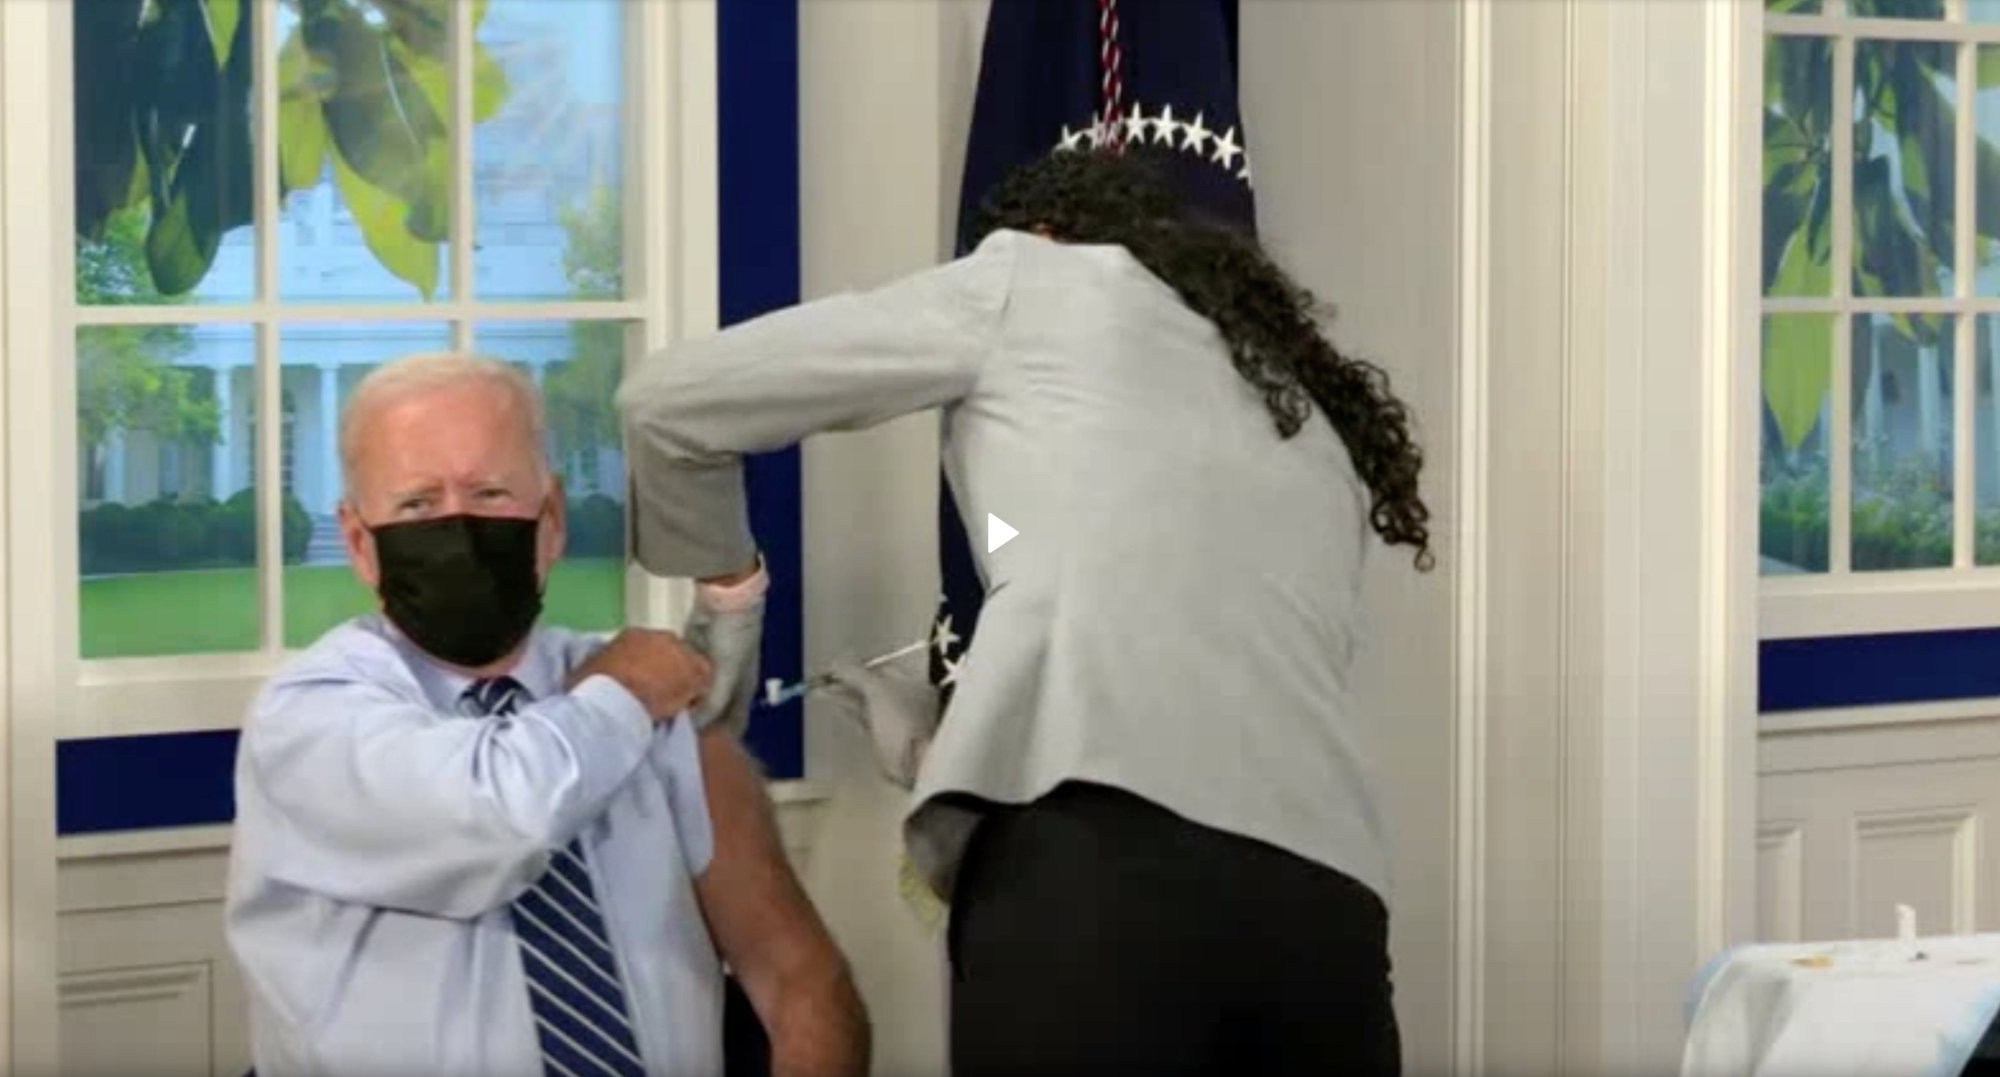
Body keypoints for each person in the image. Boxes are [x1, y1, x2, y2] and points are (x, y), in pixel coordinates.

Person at [618, 148, 1430, 1076]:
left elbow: (666, 404)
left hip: (1097, 886)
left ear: (1042, 232)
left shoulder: (1032, 277)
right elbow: (1190, 681)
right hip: (1329, 913)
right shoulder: (1306, 420)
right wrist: (963, 737)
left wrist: (730, 600)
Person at [223, 352, 869, 1077]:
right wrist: (621, 695)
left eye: (490, 493)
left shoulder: (656, 707)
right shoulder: (309, 718)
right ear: (359, 543)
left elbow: (801, 981)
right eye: (417, 505)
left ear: (551, 520)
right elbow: (499, 818)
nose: (458, 527)